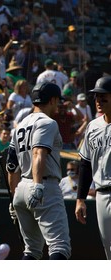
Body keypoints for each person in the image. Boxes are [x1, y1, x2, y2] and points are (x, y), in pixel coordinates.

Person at [6, 81, 71, 259]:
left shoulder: (20, 125)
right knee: (60, 247)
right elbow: (38, 153)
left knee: (32, 250)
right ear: (52, 100)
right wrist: (38, 186)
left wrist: (13, 197)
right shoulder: (48, 122)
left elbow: (12, 165)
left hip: (21, 189)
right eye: (58, 101)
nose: (58, 105)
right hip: (43, 185)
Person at [75, 76, 111, 260]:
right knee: (108, 248)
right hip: (102, 195)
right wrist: (80, 198)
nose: (98, 101)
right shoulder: (92, 126)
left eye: (103, 97)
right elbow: (85, 164)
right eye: (96, 97)